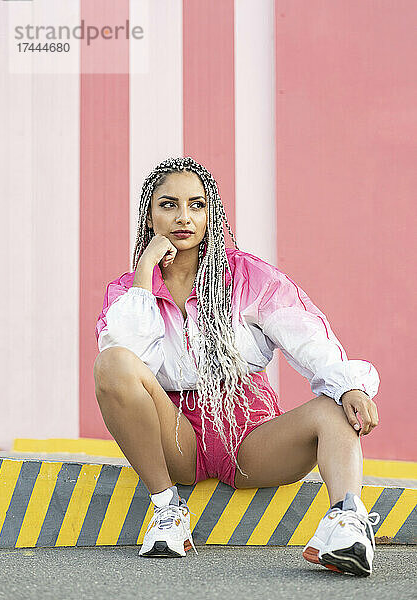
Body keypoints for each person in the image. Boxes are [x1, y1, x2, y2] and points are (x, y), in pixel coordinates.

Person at [93, 156, 380, 575]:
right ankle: (167, 510)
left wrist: (350, 385)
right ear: (149, 214)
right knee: (112, 363)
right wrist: (144, 272)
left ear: (213, 212)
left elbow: (307, 335)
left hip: (253, 435)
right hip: (176, 435)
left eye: (197, 204)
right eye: (168, 204)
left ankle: (347, 525)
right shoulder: (128, 291)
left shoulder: (248, 275)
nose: (183, 217)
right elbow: (123, 356)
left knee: (336, 404)